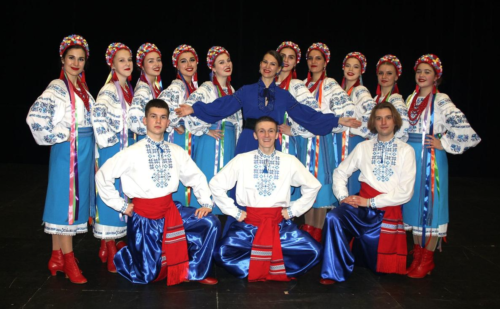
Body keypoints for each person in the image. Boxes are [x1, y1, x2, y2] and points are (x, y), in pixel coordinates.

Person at [175, 50, 361, 233]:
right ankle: (241, 231)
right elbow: (223, 106)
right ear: (260, 65)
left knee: (270, 185)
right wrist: (194, 109)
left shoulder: (283, 95)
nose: (268, 67)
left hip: (272, 143)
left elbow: (306, 114)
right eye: (265, 62)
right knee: (244, 185)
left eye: (273, 64)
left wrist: (336, 120)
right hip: (248, 141)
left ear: (279, 68)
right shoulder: (246, 91)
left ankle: (271, 230)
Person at [95, 99, 220, 286]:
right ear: (145, 121)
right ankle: (126, 250)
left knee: (210, 222)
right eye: (153, 116)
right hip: (144, 218)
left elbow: (196, 176)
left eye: (163, 117)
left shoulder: (176, 151)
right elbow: (102, 176)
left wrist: (206, 203)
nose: (158, 121)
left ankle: (195, 271)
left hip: (170, 211)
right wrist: (121, 205)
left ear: (168, 122)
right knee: (147, 275)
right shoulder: (131, 152)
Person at [209, 116, 322, 282]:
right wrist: (234, 212)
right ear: (255, 135)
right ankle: (261, 266)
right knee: (220, 253)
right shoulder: (242, 159)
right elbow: (216, 184)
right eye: (261, 131)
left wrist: (293, 211)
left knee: (315, 251)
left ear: (277, 135)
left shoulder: (289, 161)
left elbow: (313, 185)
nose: (266, 135)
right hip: (249, 225)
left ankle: (271, 266)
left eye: (271, 131)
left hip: (280, 224)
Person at [320, 102, 416, 285]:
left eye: (388, 117)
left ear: (395, 121)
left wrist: (371, 202)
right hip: (361, 205)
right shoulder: (364, 147)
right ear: (373, 122)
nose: (383, 122)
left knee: (379, 270)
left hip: (386, 210)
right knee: (333, 217)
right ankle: (333, 271)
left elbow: (405, 192)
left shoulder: (406, 151)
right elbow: (340, 172)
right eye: (379, 118)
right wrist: (342, 197)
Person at [403, 54, 481, 278]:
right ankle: (417, 253)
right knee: (413, 204)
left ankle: (427, 258)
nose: (422, 75)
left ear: (436, 76)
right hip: (411, 157)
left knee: (431, 206)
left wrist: (444, 143)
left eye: (427, 72)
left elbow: (463, 127)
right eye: (419, 71)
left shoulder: (442, 100)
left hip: (431, 158)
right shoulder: (411, 98)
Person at [26, 34, 94, 284]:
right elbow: (35, 117)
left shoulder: (82, 88)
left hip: (83, 151)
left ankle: (56, 256)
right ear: (62, 60)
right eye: (71, 58)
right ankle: (68, 260)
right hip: (69, 151)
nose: (76, 63)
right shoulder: (57, 86)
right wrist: (62, 134)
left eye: (81, 59)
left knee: (69, 203)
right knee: (67, 205)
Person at [297, 43, 356, 242]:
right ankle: (307, 229)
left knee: (320, 183)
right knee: (305, 182)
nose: (314, 62)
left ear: (325, 63)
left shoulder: (329, 84)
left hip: (320, 142)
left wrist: (327, 123)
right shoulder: (301, 84)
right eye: (310, 58)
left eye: (318, 58)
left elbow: (348, 111)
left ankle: (317, 232)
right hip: (302, 142)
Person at [91, 42, 135, 273]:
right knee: (110, 192)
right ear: (112, 64)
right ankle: (109, 247)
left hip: (125, 148)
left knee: (122, 192)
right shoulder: (109, 89)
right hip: (114, 148)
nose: (127, 64)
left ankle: (110, 243)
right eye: (122, 60)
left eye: (129, 60)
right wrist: (111, 142)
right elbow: (97, 115)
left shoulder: (128, 88)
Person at [184, 46, 242, 215]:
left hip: (229, 140)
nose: (226, 65)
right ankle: (205, 222)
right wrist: (204, 130)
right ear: (213, 67)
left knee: (225, 180)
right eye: (221, 62)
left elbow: (238, 121)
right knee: (209, 176)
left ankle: (222, 222)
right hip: (212, 140)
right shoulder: (207, 88)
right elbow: (189, 108)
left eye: (228, 61)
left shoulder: (232, 91)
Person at [275, 41, 316, 202]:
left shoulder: (297, 85)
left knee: (286, 181)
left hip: (286, 141)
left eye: (290, 57)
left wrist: (294, 130)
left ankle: (285, 223)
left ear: (295, 62)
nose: (286, 60)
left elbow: (312, 113)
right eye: (283, 56)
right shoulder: (268, 82)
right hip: (266, 139)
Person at [158, 44, 199, 206]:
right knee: (179, 177)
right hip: (179, 140)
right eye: (184, 61)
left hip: (189, 139)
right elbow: (161, 108)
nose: (188, 65)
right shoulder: (177, 86)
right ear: (177, 65)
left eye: (192, 60)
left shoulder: (191, 87)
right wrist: (174, 124)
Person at [337, 51, 375, 197]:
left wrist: (358, 130)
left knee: (351, 180)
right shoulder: (340, 91)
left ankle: (352, 216)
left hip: (351, 142)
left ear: (361, 71)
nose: (351, 70)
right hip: (341, 140)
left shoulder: (360, 90)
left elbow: (372, 114)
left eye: (355, 67)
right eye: (348, 66)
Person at [128, 43, 164, 140]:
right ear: (142, 66)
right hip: (147, 138)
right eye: (151, 61)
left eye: (158, 60)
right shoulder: (143, 89)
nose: (156, 64)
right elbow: (134, 116)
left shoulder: (154, 87)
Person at [373, 54, 409, 141]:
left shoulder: (396, 99)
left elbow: (404, 125)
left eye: (389, 73)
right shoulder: (375, 99)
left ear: (396, 77)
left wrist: (390, 141)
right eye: (381, 73)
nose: (384, 77)